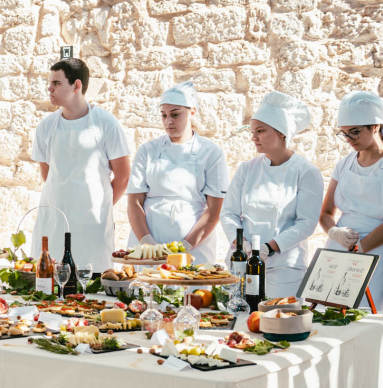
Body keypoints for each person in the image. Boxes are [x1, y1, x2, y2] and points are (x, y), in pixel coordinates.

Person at [221, 91, 324, 299]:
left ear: (282, 132)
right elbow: (228, 213)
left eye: (260, 130)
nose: (254, 137)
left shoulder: (306, 172)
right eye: (252, 131)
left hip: (285, 268)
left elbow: (306, 223)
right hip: (243, 263)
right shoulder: (247, 169)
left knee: (278, 320)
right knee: (240, 320)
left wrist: (268, 248)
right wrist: (242, 244)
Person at [32, 58, 130, 275]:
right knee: (49, 282)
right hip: (54, 219)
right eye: (50, 82)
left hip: (92, 225)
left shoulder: (107, 124)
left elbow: (123, 176)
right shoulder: (46, 127)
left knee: (92, 286)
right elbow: (48, 176)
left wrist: (100, 207)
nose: (49, 88)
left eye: (56, 83)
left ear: (76, 86)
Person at [320, 92, 383, 313]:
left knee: (368, 318)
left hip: (374, 250)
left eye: (354, 132)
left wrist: (358, 251)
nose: (349, 139)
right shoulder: (344, 165)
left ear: (375, 126)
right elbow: (325, 212)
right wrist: (334, 232)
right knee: (331, 317)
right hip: (338, 248)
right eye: (343, 134)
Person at [126, 82, 228, 264]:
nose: (168, 121)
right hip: (147, 248)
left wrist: (184, 247)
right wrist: (148, 244)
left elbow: (214, 210)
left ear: (192, 112)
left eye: (175, 114)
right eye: (164, 115)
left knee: (192, 291)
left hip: (195, 248)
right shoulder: (148, 151)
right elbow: (134, 202)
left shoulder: (211, 152)